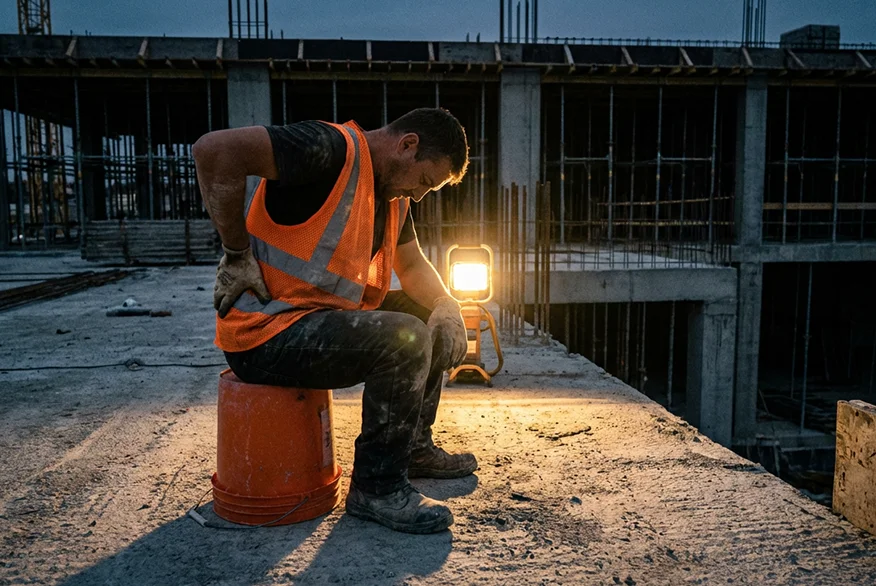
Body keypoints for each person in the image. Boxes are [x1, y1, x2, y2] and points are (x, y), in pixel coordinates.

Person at [193, 107, 476, 534]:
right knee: (405, 338)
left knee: (424, 314)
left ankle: (414, 446)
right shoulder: (329, 151)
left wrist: (447, 304)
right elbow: (215, 150)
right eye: (424, 182)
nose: (419, 195)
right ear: (407, 144)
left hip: (316, 322)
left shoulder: (392, 196)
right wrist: (236, 253)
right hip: (265, 334)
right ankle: (376, 488)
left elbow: (413, 266)